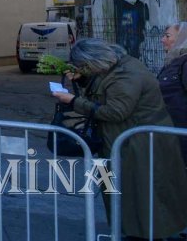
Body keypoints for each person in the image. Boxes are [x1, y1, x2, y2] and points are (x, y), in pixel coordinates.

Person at [50, 38, 187, 238]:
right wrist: (81, 80)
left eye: (84, 66)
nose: (83, 70)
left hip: (138, 145)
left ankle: (145, 234)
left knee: (142, 195)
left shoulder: (125, 75)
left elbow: (115, 111)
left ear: (94, 61)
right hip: (128, 141)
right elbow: (103, 94)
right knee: (130, 195)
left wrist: (73, 101)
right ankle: (133, 231)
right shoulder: (117, 66)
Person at [158, 22, 187, 170]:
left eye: (167, 36)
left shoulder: (185, 63)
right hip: (173, 131)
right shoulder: (173, 61)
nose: (163, 40)